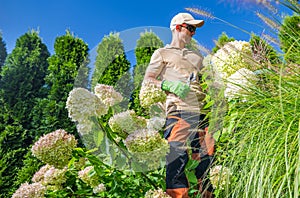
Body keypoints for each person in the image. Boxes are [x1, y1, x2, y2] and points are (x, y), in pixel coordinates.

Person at [142, 13, 215, 198]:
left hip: (202, 112)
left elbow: (208, 83)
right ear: (177, 27)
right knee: (176, 158)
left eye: (194, 30)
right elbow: (148, 80)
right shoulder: (162, 53)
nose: (193, 33)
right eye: (190, 28)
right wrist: (168, 85)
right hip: (178, 110)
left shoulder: (197, 57)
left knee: (206, 161)